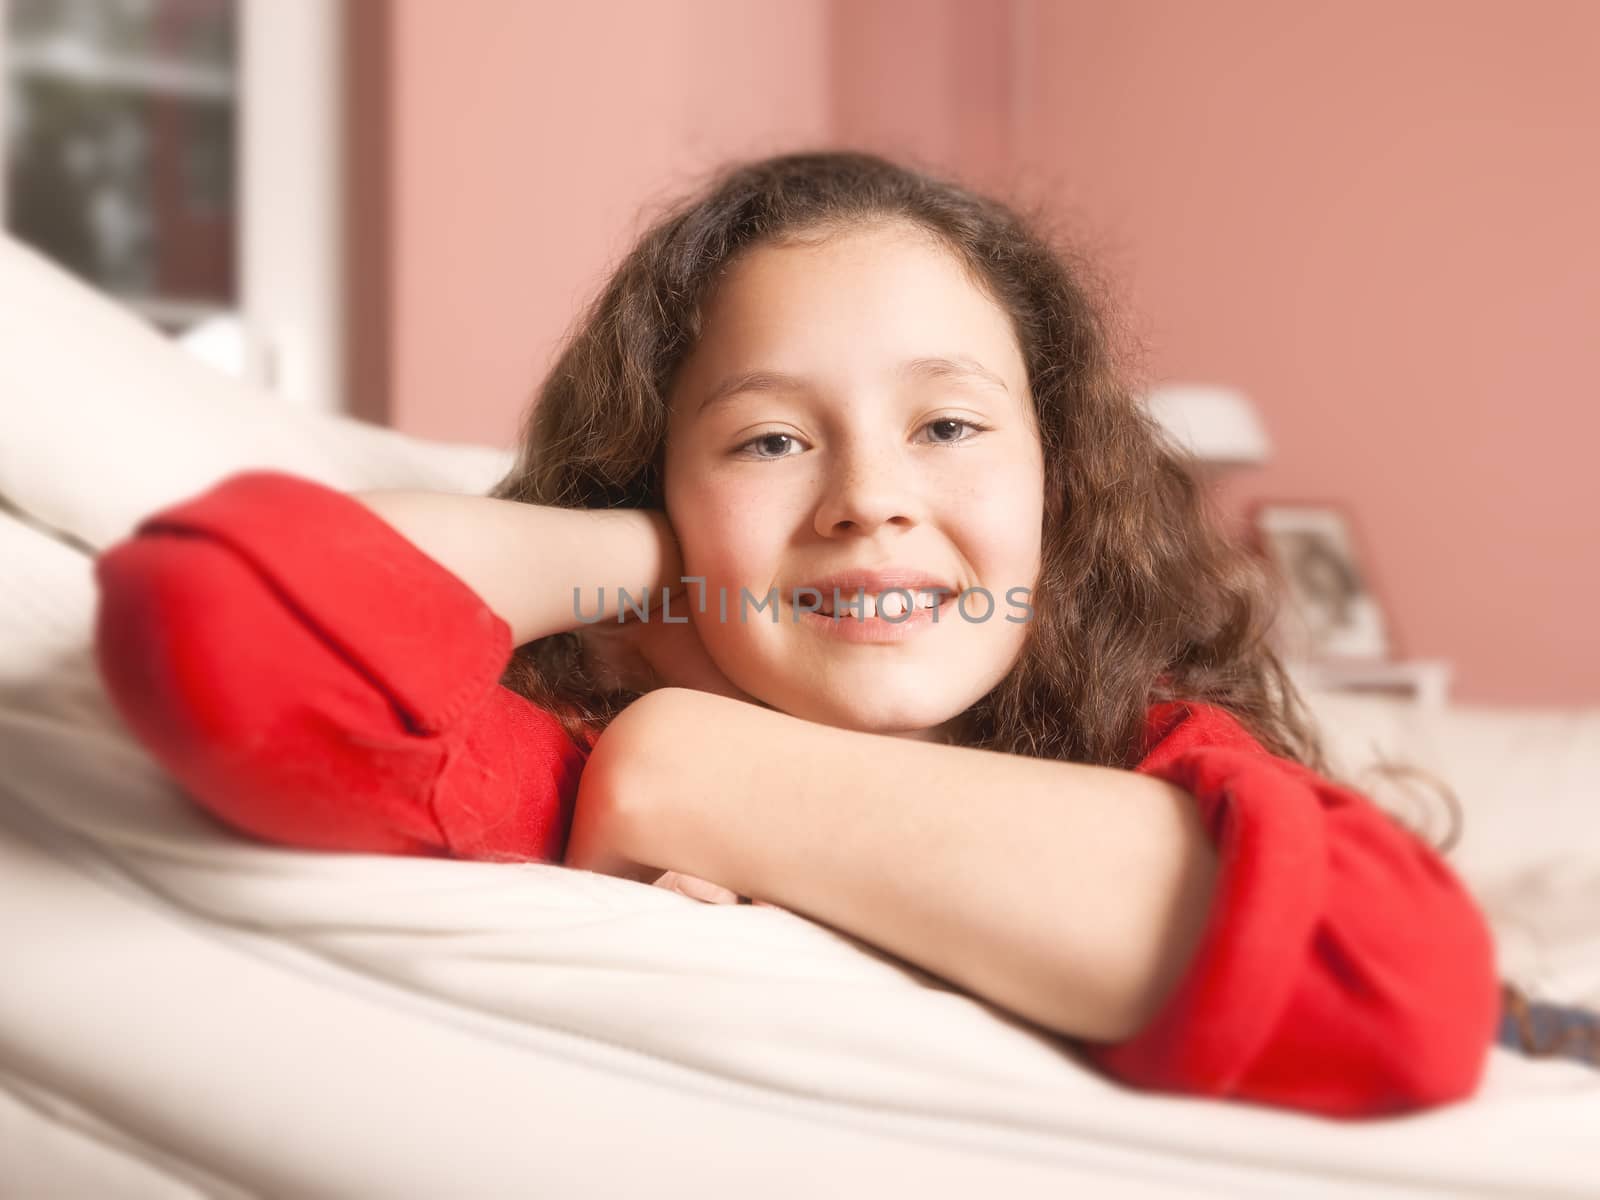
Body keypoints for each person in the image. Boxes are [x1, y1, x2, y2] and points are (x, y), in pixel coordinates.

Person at [94, 150, 1508, 1120]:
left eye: (948, 427)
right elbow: (223, 626)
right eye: (769, 441)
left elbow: (1405, 992)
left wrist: (705, 773)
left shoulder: (1134, 752)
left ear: (1055, 489)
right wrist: (648, 560)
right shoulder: (557, 776)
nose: (871, 500)